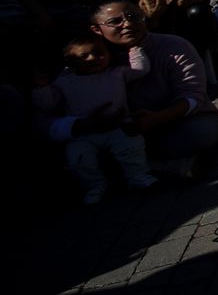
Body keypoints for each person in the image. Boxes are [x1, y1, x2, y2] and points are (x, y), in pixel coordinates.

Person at [88, 0, 218, 172]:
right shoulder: (90, 60)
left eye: (133, 17)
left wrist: (156, 118)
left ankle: (147, 168)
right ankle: (166, 169)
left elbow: (192, 96)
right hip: (120, 131)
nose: (127, 25)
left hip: (175, 121)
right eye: (115, 21)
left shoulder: (172, 46)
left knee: (201, 132)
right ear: (97, 29)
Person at [32, 33, 159, 204]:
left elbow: (141, 69)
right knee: (79, 159)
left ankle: (138, 176)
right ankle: (95, 185)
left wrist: (133, 49)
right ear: (70, 61)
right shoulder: (64, 82)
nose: (93, 58)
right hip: (84, 133)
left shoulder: (116, 73)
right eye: (84, 56)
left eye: (100, 53)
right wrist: (41, 87)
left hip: (118, 126)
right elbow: (47, 104)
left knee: (131, 148)